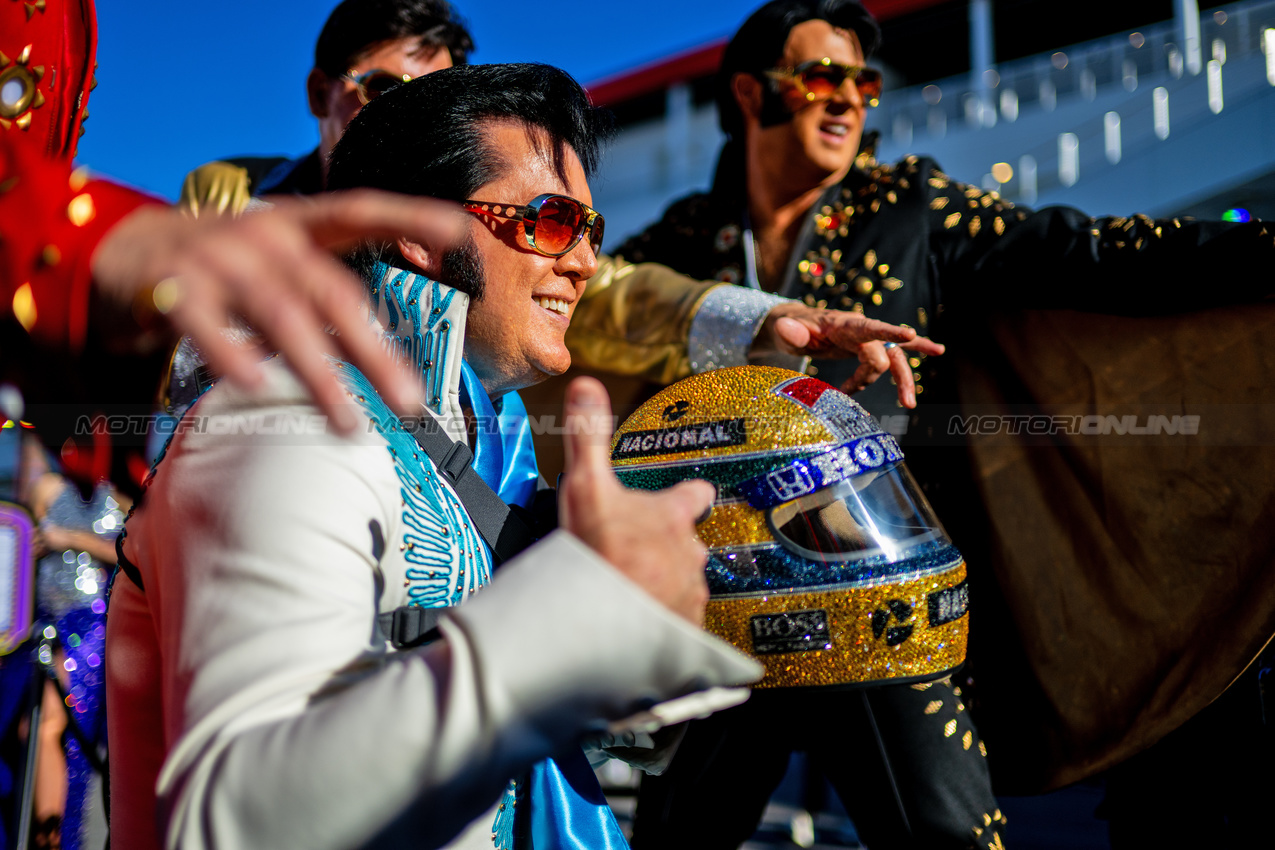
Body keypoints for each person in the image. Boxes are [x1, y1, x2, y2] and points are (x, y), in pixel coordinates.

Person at [608, 1, 1275, 847]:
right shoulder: (682, 250)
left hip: (885, 604)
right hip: (727, 605)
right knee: (667, 842)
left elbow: (1084, 249)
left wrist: (1259, 249)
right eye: (821, 78)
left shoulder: (908, 206)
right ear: (750, 93)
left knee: (947, 839)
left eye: (862, 82)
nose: (848, 100)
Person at [105, 63, 764, 850]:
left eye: (590, 231)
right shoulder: (283, 418)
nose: (584, 262)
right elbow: (240, 822)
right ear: (418, 231)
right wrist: (578, 618)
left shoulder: (494, 436)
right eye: (551, 221)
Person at [180, 0, 945, 421]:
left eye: (433, 98)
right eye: (384, 89)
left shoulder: (499, 412)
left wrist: (762, 320)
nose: (408, 116)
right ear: (321, 94)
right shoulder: (232, 200)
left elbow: (611, 290)